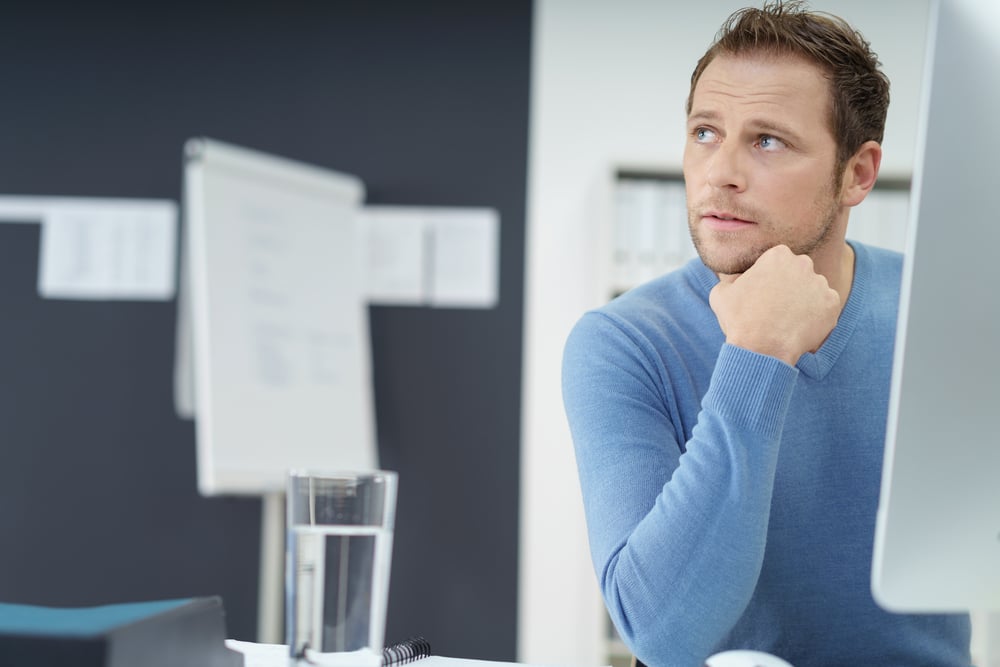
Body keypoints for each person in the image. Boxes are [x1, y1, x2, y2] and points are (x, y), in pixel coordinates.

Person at [561, 2, 971, 666]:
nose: (720, 170)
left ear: (857, 174)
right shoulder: (622, 342)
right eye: (704, 132)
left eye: (767, 140)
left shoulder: (941, 311)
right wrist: (759, 354)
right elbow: (662, 634)